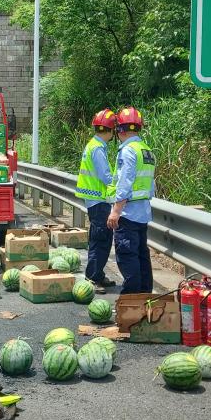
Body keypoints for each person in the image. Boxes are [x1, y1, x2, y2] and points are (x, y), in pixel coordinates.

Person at [108, 106, 156, 294]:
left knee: (128, 256)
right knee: (142, 256)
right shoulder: (146, 150)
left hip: (127, 213)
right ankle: (146, 297)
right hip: (143, 212)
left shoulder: (128, 151)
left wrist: (116, 211)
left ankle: (130, 300)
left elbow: (125, 182)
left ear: (121, 129)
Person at [75, 109, 119, 294]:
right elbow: (105, 176)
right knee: (100, 239)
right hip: (99, 201)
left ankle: (97, 274)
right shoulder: (98, 148)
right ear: (111, 130)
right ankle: (93, 276)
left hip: (94, 200)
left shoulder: (92, 144)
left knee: (101, 237)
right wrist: (120, 186)